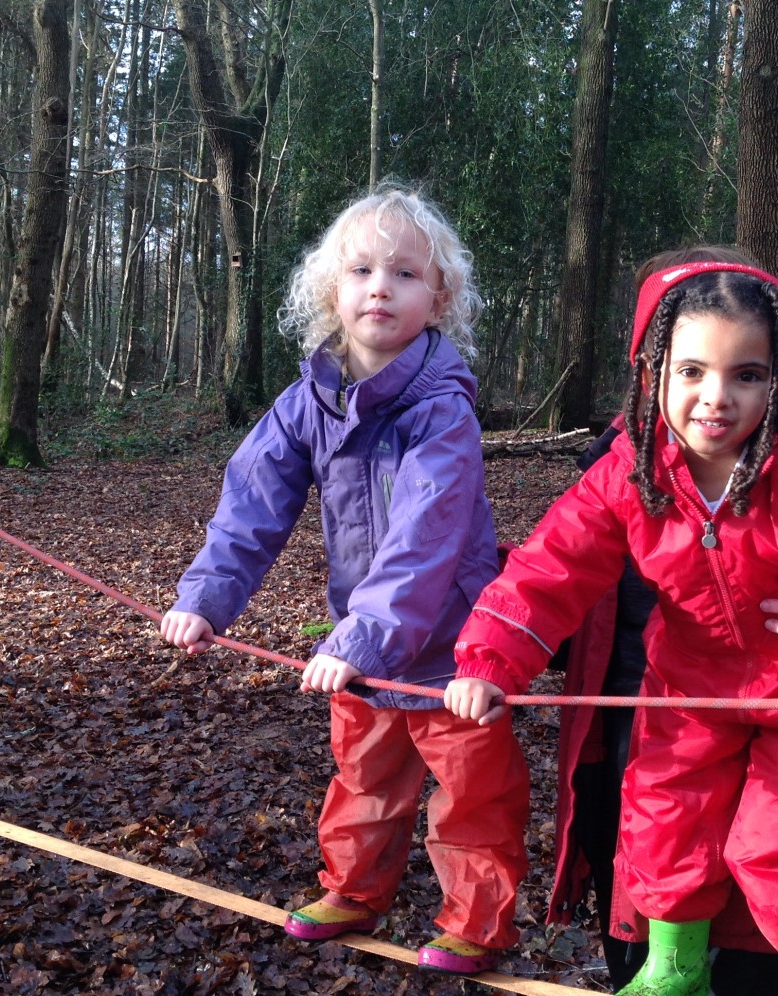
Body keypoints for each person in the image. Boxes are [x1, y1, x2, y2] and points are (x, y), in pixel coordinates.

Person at [445, 256, 778, 996]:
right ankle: (672, 967)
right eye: (691, 371)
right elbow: (550, 568)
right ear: (651, 372)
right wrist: (489, 659)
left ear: (776, 377)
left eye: (746, 375)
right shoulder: (629, 472)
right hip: (690, 689)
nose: (715, 397)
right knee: (661, 814)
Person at [160, 186, 529, 975]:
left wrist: (360, 638)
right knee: (364, 778)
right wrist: (204, 600)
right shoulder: (306, 404)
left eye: (404, 273)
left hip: (455, 648)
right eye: (361, 269)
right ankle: (355, 890)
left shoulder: (442, 410)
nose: (380, 287)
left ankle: (477, 922)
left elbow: (425, 536)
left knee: (472, 794)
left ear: (440, 297)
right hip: (363, 650)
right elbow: (250, 507)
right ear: (333, 289)